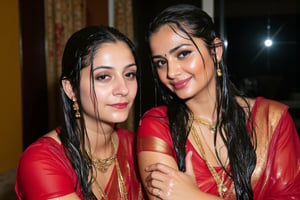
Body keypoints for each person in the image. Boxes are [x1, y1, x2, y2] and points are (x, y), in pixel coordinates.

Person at [137, 4, 300, 200]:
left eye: (183, 54)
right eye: (161, 63)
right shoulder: (158, 124)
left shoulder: (272, 120)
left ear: (215, 51)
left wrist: (193, 196)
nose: (171, 72)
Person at [15, 25, 144, 200]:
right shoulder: (41, 161)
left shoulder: (137, 146)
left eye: (129, 74)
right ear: (71, 89)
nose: (123, 89)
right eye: (103, 76)